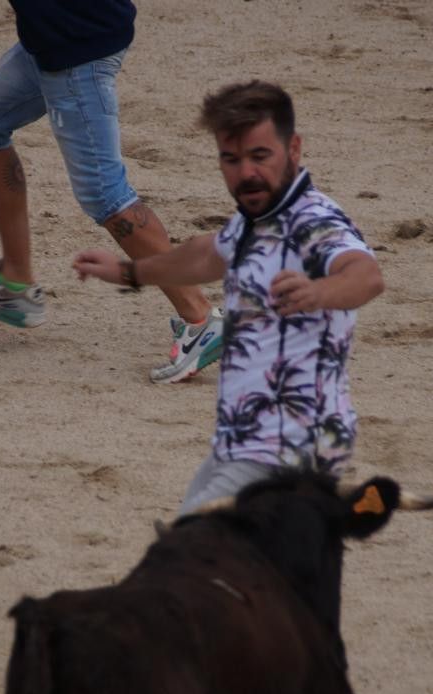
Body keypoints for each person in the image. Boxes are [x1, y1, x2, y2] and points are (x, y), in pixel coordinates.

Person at [72, 81, 385, 515]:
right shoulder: (256, 219)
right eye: (231, 159)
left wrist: (320, 291)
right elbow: (204, 255)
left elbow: (365, 276)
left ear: (293, 149)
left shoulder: (313, 222)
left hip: (290, 442)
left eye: (260, 156)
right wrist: (129, 271)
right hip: (242, 438)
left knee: (192, 552)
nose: (245, 173)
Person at [0, 0, 224, 384]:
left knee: (105, 195)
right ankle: (16, 283)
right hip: (54, 38)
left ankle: (200, 316)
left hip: (77, 48)